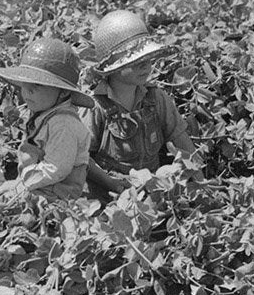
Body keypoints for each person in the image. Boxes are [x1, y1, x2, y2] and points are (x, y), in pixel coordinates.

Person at [81, 10, 196, 203]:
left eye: (147, 58)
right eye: (136, 60)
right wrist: (112, 184)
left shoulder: (157, 98)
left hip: (154, 194)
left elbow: (181, 141)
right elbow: (81, 158)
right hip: (108, 198)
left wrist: (200, 184)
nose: (145, 65)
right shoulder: (95, 107)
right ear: (113, 68)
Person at [0, 38, 93, 202]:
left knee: (6, 206)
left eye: (37, 85)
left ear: (64, 93)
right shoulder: (45, 112)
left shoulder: (64, 124)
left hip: (57, 193)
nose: (27, 91)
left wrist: (21, 184)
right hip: (39, 185)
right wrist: (19, 183)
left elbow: (55, 169)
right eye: (25, 83)